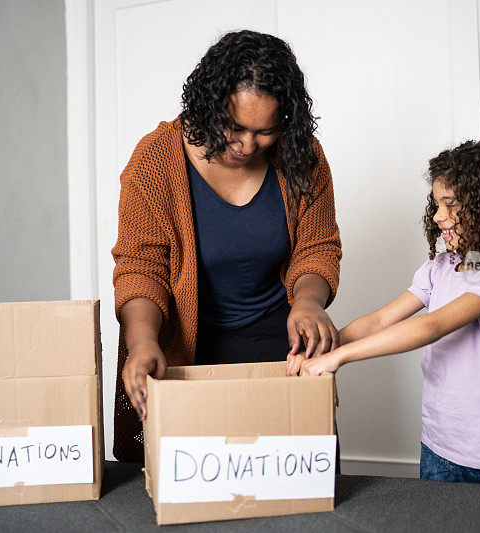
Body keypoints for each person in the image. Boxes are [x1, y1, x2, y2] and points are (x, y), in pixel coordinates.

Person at [111, 30, 342, 462]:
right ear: (209, 103)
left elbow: (317, 248)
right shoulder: (155, 162)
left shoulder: (302, 156)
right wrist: (142, 342)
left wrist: (308, 303)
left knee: (298, 478)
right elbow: (141, 267)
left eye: (265, 132)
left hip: (282, 344)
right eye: (235, 127)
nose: (247, 145)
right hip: (189, 348)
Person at [290, 139, 480, 484]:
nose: (437, 216)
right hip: (437, 444)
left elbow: (431, 326)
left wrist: (339, 358)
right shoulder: (440, 267)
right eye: (436, 204)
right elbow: (380, 320)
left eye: (450, 205)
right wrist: (321, 349)